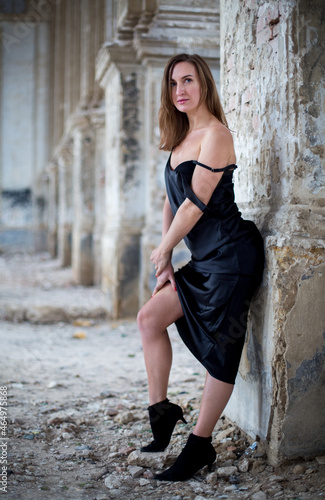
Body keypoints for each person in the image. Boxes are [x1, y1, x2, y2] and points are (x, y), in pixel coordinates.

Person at [137, 53, 264, 482]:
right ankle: (161, 409)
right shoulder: (178, 142)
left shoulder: (217, 135)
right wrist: (166, 261)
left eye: (188, 80)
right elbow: (169, 202)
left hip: (233, 257)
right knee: (150, 317)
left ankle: (199, 445)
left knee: (222, 353)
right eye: (173, 84)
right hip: (203, 258)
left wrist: (163, 248)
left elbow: (197, 202)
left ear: (204, 84)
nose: (181, 91)